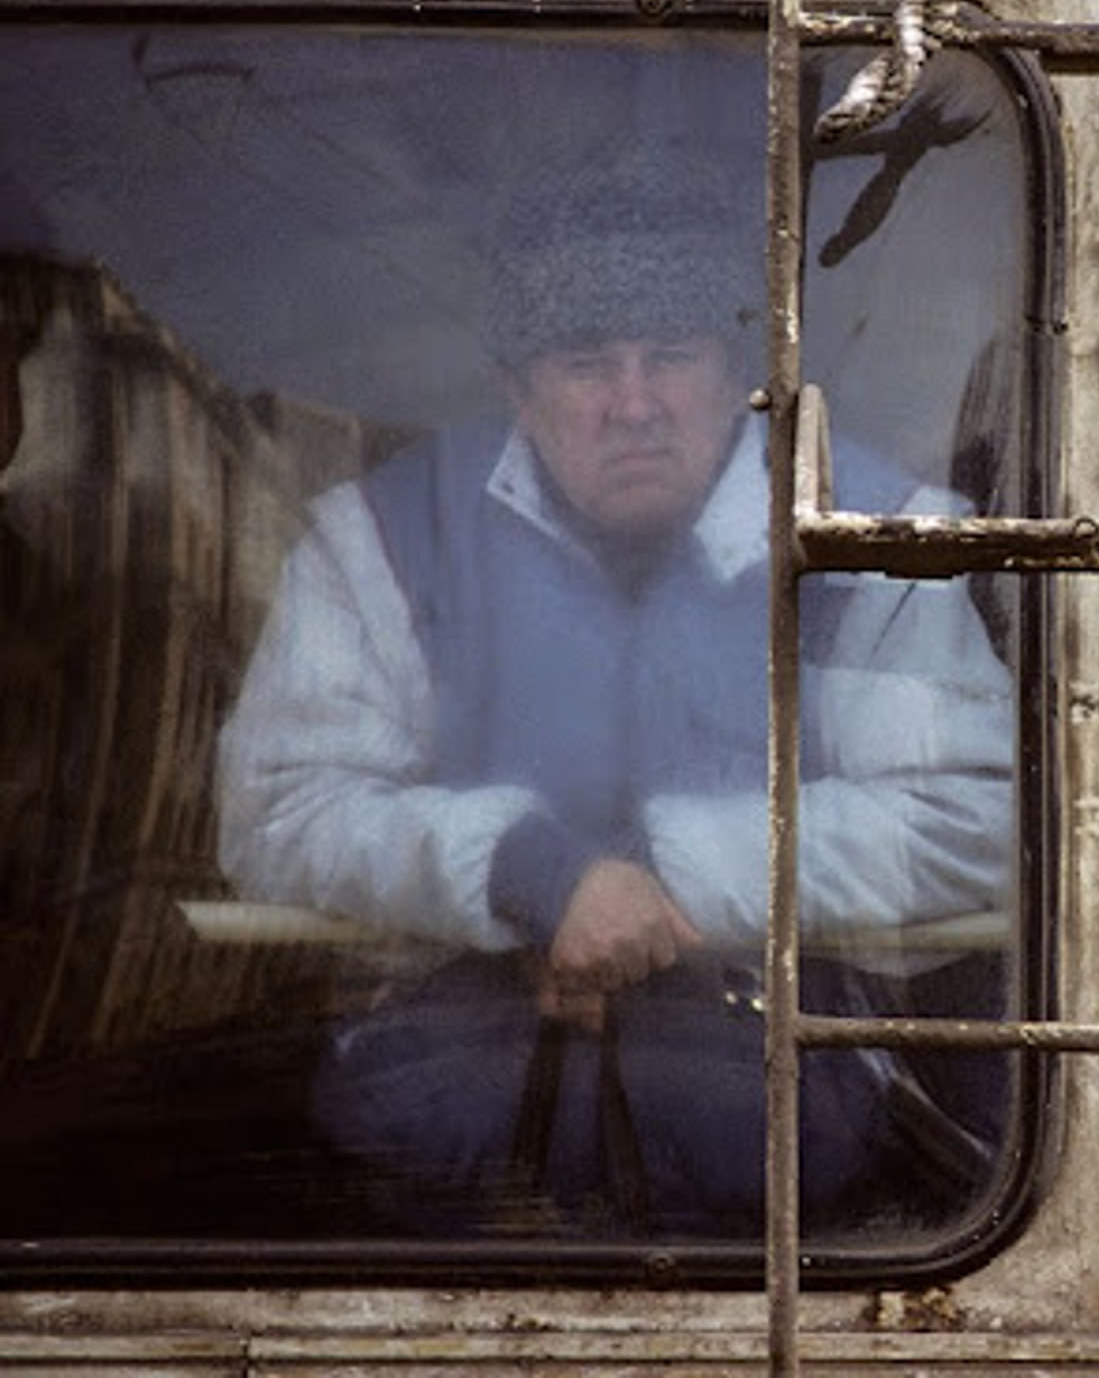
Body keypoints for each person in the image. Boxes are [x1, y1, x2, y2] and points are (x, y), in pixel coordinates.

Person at [214, 158, 1016, 1235]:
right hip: (427, 1195)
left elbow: (978, 816)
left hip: (811, 1193)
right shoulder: (383, 540)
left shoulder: (874, 536)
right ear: (518, 390)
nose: (634, 404)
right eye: (587, 361)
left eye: (672, 356)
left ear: (736, 372)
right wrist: (529, 873)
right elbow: (278, 806)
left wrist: (666, 876)